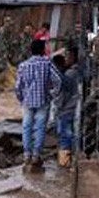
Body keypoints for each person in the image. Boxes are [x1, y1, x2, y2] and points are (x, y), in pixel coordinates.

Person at [15, 39, 62, 170]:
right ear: (43, 50)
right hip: (43, 101)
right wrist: (52, 94)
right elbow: (58, 81)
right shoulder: (47, 64)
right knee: (40, 127)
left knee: (26, 127)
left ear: (30, 50)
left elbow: (18, 87)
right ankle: (36, 155)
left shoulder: (23, 65)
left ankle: (26, 154)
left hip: (27, 102)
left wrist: (21, 99)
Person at [52, 52, 81, 168]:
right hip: (73, 108)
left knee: (65, 135)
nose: (67, 59)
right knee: (73, 134)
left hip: (66, 110)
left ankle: (64, 163)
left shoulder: (67, 75)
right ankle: (74, 159)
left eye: (69, 56)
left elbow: (62, 96)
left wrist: (58, 108)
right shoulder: (77, 72)